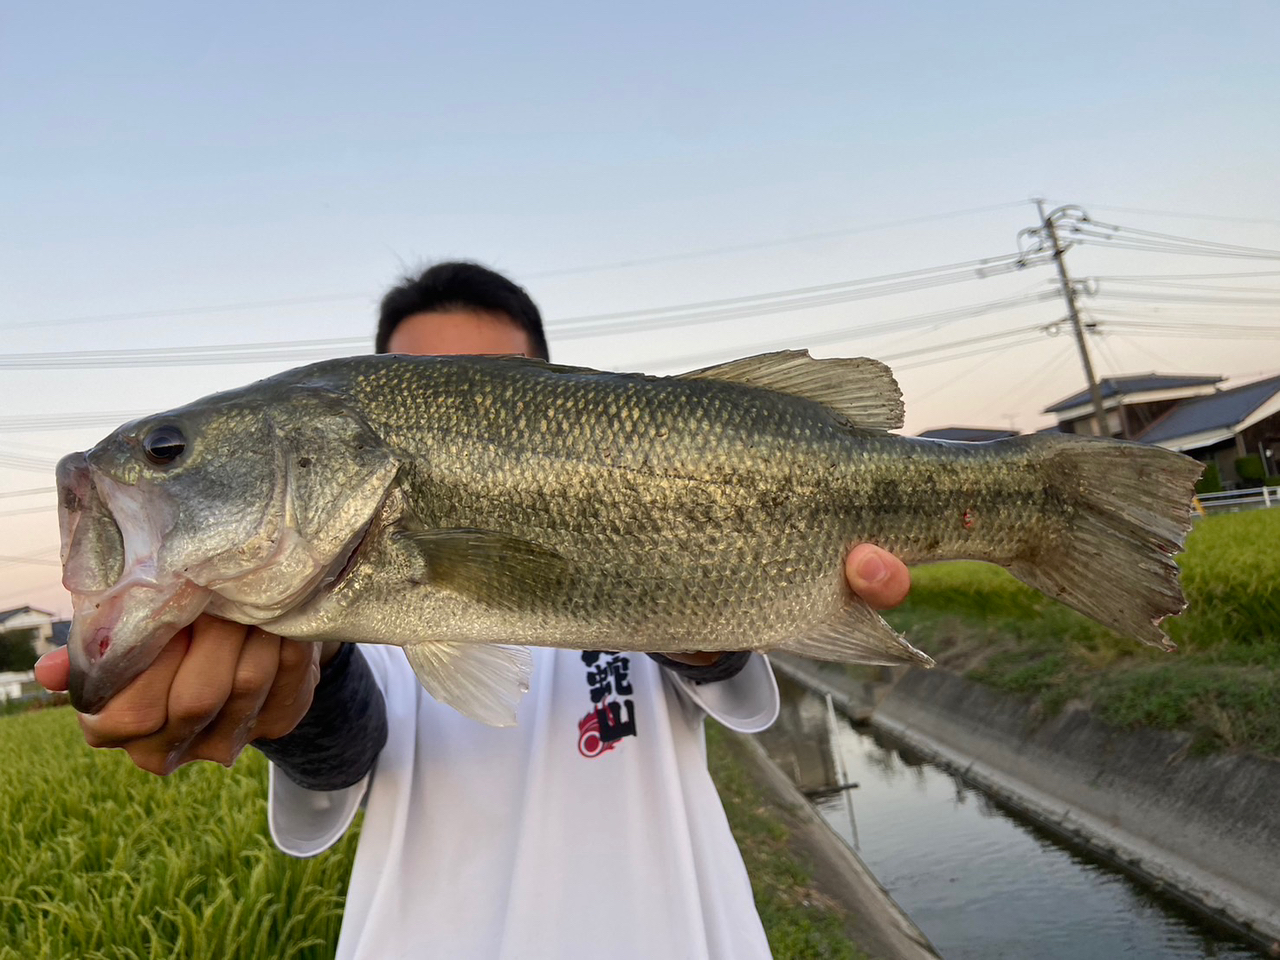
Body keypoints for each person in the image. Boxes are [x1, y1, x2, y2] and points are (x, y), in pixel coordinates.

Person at [37, 261, 912, 959]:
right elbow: (343, 739)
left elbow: (722, 664)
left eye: (495, 387)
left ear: (553, 395)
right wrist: (291, 696)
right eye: (426, 386)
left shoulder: (626, 506)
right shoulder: (335, 612)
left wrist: (690, 558)